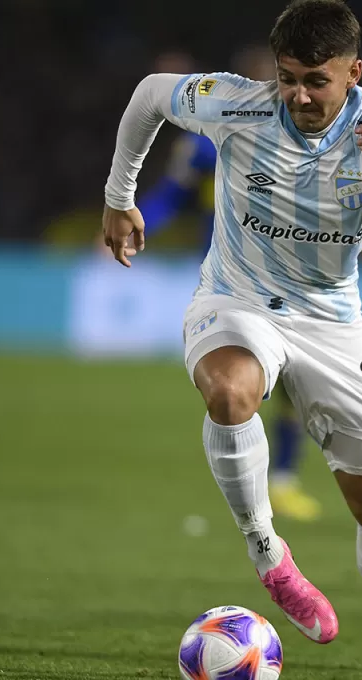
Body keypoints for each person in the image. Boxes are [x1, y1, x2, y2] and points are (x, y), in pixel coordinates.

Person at [100, 1, 362, 677]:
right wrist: (120, 194)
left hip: (331, 321)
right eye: (288, 76)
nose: (298, 93)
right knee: (232, 392)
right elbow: (151, 94)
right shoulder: (238, 105)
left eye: (315, 81)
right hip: (236, 300)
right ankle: (270, 557)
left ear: (352, 73)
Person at [135, 46, 335, 522]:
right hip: (233, 282)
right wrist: (137, 217)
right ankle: (253, 480)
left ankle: (281, 479)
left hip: (298, 279)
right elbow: (173, 194)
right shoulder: (208, 140)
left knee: (296, 383)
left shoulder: (311, 139)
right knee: (237, 380)